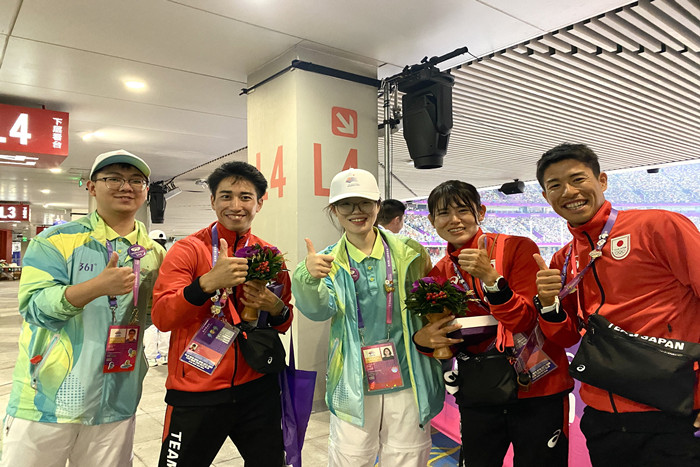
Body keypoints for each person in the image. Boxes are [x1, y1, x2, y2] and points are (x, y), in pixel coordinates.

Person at [533, 143, 700, 466]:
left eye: (578, 179)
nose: (568, 191)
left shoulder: (657, 226)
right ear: (545, 196)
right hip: (603, 418)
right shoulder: (563, 258)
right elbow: (567, 336)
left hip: (674, 412)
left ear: (602, 181)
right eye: (555, 185)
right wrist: (548, 305)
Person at [1, 149, 166, 467]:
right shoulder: (56, 241)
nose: (126, 187)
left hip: (116, 398)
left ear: (146, 191)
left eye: (136, 180)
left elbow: (149, 316)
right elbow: (34, 308)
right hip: (47, 399)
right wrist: (95, 288)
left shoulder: (153, 254)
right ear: (91, 187)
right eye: (113, 178)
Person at [412, 180, 573, 467]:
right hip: (481, 390)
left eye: (463, 210)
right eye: (443, 213)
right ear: (432, 221)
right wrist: (423, 342)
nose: (454, 220)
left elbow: (524, 319)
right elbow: (445, 339)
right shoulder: (440, 272)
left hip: (537, 387)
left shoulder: (517, 248)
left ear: (481, 212)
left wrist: (491, 280)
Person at [292, 168, 443, 467]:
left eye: (364, 202)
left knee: (408, 456)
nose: (356, 211)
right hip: (353, 380)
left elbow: (431, 306)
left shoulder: (410, 252)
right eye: (346, 204)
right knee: (351, 458)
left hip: (409, 377)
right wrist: (308, 278)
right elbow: (319, 311)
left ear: (378, 205)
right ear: (334, 210)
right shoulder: (326, 262)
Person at [151, 161, 293, 467]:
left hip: (258, 387)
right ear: (213, 201)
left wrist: (275, 307)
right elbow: (162, 317)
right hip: (197, 389)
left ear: (259, 203)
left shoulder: (270, 256)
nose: (236, 205)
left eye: (245, 197)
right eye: (226, 196)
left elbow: (284, 321)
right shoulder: (188, 250)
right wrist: (205, 284)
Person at [143, 229, 171, 366]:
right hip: (164, 298)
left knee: (150, 329)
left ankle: (151, 357)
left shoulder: (147, 254)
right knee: (165, 327)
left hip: (149, 300)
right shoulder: (167, 255)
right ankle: (165, 356)